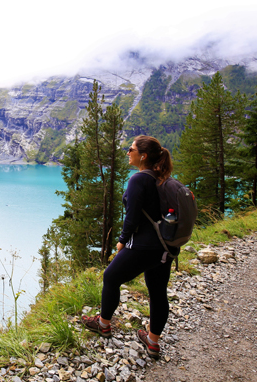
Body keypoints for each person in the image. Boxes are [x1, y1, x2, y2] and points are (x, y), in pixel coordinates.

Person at [80, 135, 175, 359]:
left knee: (111, 277)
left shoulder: (138, 180)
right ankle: (153, 342)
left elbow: (132, 217)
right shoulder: (161, 178)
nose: (127, 152)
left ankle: (103, 324)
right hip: (165, 247)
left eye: (130, 149)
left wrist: (122, 240)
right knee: (158, 292)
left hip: (144, 246)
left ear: (143, 156)